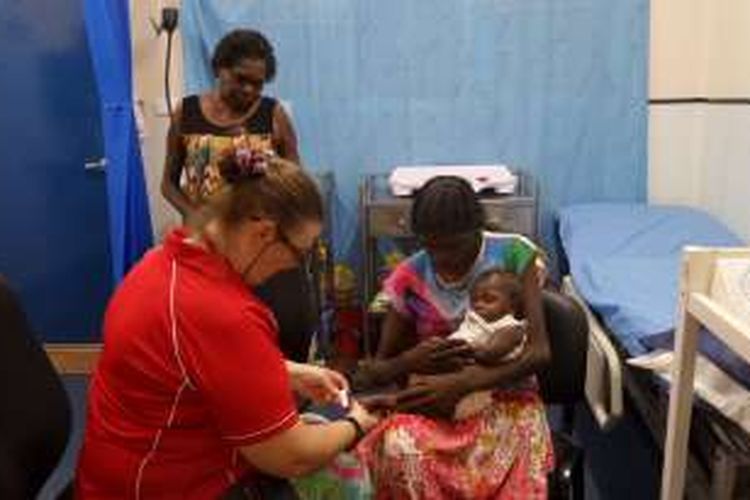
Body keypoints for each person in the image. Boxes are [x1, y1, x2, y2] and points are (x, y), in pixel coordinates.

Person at [76, 155, 381, 499]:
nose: (292, 268)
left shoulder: (158, 263)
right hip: (165, 486)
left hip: (113, 471)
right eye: (299, 254)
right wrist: (355, 424)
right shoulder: (221, 313)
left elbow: (191, 366)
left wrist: (288, 372)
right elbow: (291, 456)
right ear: (263, 232)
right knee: (333, 463)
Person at [355, 176, 554, 499]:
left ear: (478, 229)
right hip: (439, 409)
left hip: (509, 402)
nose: (442, 258)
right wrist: (410, 361)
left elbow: (539, 352)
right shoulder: (410, 276)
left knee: (519, 448)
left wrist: (465, 382)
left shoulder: (515, 254)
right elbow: (373, 372)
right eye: (431, 247)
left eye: (453, 246)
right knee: (398, 446)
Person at [160, 28, 314, 362]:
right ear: (219, 69)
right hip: (210, 246)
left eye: (258, 84)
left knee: (282, 328)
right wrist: (192, 215)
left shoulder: (272, 116)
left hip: (260, 245)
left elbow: (295, 183)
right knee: (216, 337)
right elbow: (168, 183)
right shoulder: (186, 114)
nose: (250, 90)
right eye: (241, 79)